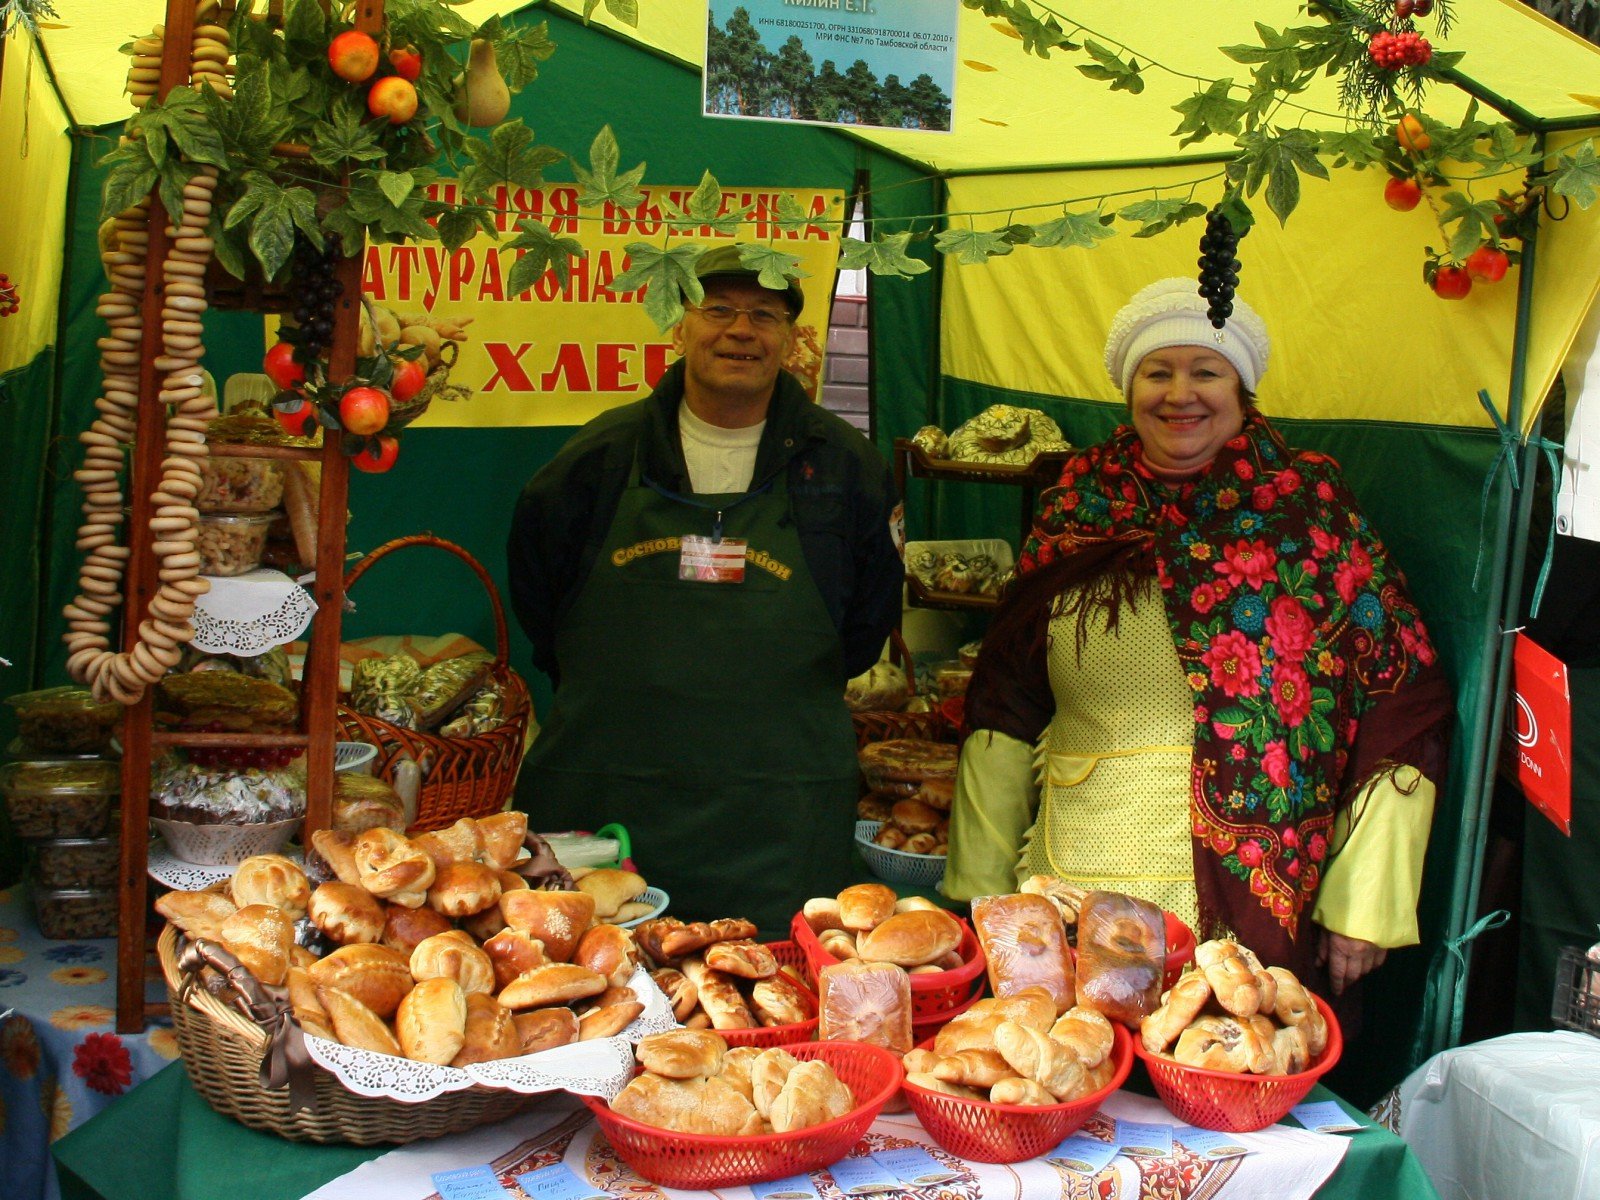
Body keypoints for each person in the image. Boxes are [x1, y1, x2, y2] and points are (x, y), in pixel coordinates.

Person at [943, 278, 1453, 996]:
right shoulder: (1076, 506)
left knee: (1222, 1064)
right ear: (1129, 389)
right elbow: (1004, 701)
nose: (1180, 392)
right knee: (1073, 1070)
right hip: (1075, 876)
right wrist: (981, 885)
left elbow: (1404, 696)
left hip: (1253, 889)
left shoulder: (1307, 512)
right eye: (1158, 371)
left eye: (1206, 371)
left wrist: (1367, 902)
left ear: (1242, 391)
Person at [507, 246, 902, 937]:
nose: (740, 330)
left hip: (781, 817)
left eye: (764, 315)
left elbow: (867, 620)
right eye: (717, 310)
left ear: (792, 339)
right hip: (607, 801)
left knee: (778, 1000)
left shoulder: (843, 467)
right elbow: (540, 602)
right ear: (679, 327)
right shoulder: (594, 462)